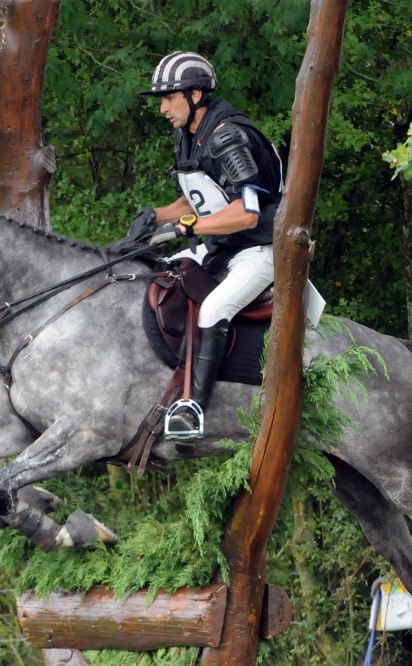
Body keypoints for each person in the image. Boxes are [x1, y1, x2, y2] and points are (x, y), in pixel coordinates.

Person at [130, 51, 284, 440]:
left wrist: (188, 227)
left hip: (261, 248)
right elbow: (197, 201)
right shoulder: (190, 136)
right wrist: (156, 215)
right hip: (224, 248)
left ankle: (193, 408)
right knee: (161, 274)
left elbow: (246, 214)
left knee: (214, 307)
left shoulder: (227, 136)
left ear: (196, 93)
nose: (163, 108)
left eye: (169, 98)